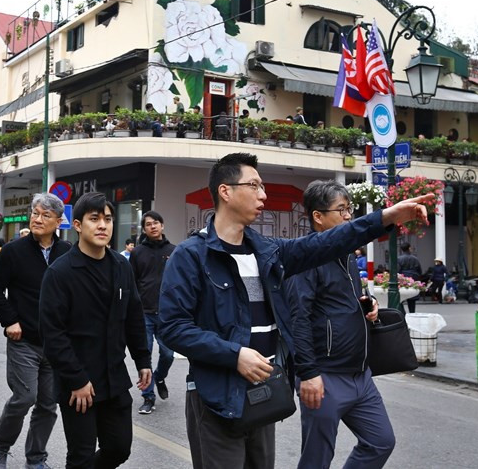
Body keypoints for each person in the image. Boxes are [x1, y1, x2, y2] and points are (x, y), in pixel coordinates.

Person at [158, 152, 430, 468]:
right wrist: (235, 355)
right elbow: (173, 328)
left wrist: (386, 217)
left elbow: (326, 243)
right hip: (218, 396)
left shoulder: (267, 251)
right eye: (254, 185)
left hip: (264, 392)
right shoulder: (191, 256)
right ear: (226, 191)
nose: (264, 194)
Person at [284, 180, 392, 469]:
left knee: (381, 441)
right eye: (341, 210)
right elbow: (299, 318)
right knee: (317, 459)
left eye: (350, 209)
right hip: (324, 376)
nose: (348, 216)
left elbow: (337, 303)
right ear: (318, 217)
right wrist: (308, 373)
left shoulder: (345, 254)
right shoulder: (304, 259)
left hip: (360, 374)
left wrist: (365, 306)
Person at [39, 192, 151, 468]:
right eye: (94, 219)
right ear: (77, 225)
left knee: (119, 448)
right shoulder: (60, 273)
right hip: (78, 383)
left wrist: (143, 360)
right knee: (81, 455)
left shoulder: (121, 265)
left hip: (114, 378)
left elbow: (134, 315)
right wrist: (76, 379)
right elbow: (53, 335)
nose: (103, 225)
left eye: (108, 219)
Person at [0, 193, 72, 469]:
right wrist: (9, 320)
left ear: (59, 221)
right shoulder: (14, 251)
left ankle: (36, 458)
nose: (38, 219)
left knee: (48, 405)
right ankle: (0, 446)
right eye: (35, 213)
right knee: (25, 397)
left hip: (56, 344)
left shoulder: (68, 252)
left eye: (46, 215)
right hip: (24, 341)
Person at [129, 211, 176, 415]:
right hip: (144, 313)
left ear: (162, 225)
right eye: (148, 224)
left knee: (168, 353)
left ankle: (159, 376)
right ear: (145, 229)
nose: (152, 226)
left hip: (167, 313)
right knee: (144, 356)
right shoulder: (138, 252)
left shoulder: (174, 251)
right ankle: (148, 396)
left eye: (156, 223)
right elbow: (131, 282)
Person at [397, 243, 422, 313]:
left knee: (400, 298)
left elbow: (397, 270)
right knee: (412, 299)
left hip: (403, 278)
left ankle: (403, 313)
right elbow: (420, 271)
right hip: (414, 278)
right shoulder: (415, 259)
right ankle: (412, 313)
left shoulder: (399, 259)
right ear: (409, 248)